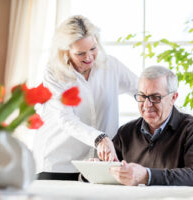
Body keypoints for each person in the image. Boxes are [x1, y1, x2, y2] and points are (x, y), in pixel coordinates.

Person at [32, 15, 138, 180]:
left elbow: (141, 90)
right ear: (65, 51)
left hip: (96, 165)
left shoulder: (112, 66)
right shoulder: (54, 73)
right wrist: (99, 138)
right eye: (80, 53)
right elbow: (66, 119)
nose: (89, 58)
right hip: (58, 162)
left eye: (93, 49)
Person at [110, 65, 193, 186]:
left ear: (173, 98)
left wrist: (147, 176)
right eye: (142, 96)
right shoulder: (126, 132)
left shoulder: (192, 129)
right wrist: (95, 168)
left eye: (155, 97)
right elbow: (109, 170)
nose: (147, 104)